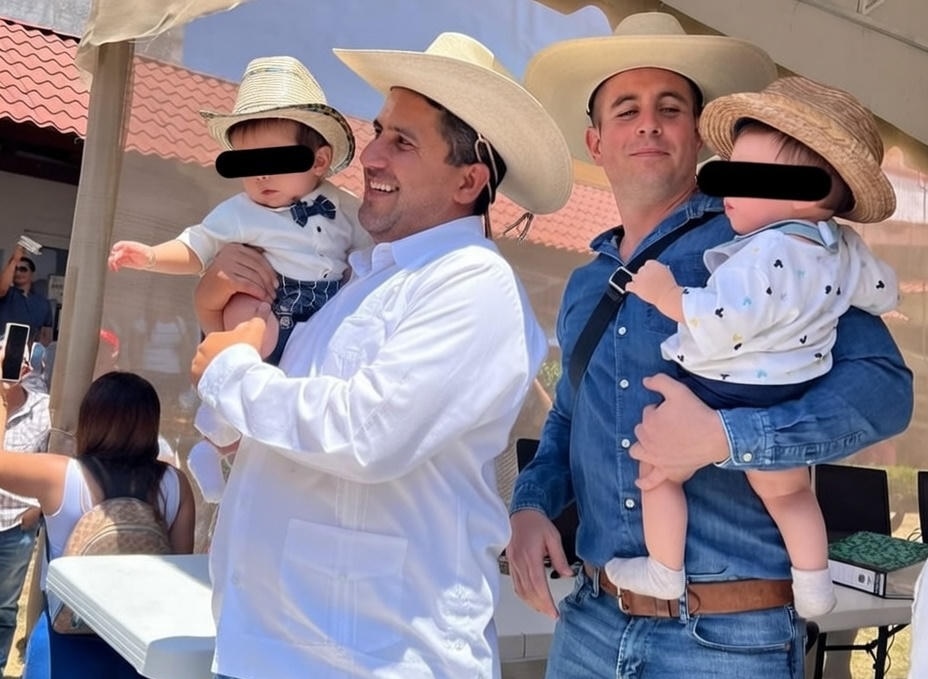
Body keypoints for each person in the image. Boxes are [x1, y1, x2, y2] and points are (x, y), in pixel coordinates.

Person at [507, 12, 913, 678]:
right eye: (627, 109)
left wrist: (727, 437)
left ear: (698, 135)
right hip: (590, 623)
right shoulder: (585, 285)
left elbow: (885, 392)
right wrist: (530, 506)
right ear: (596, 141)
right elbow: (568, 419)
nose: (648, 123)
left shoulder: (769, 244)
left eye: (670, 108)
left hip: (729, 640)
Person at [189, 31, 571, 679]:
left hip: (368, 658)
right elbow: (242, 435)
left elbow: (366, 435)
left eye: (403, 141)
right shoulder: (359, 281)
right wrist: (219, 322)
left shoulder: (472, 281)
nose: (370, 155)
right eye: (378, 131)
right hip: (287, 649)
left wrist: (227, 372)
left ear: (469, 179)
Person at [606, 76, 899, 619]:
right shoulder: (840, 247)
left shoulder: (762, 253)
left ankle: (663, 569)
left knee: (657, 470)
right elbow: (883, 290)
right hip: (788, 386)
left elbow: (726, 317)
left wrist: (668, 295)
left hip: (725, 390)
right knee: (790, 494)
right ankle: (814, 584)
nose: (729, 189)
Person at [0, 371, 196, 679]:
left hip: (66, 642)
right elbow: (179, 570)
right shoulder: (175, 483)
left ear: (89, 419)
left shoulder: (60, 475)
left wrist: (3, 401)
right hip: (139, 646)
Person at [0, 363, 50, 674]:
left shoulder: (43, 410)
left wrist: (37, 509)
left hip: (15, 526)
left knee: (4, 608)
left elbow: (54, 458)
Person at [0, 248, 53, 347]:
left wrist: (36, 352)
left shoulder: (43, 303)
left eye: (23, 269)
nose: (18, 273)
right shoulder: (5, 293)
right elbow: (2, 289)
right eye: (15, 269)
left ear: (32, 274)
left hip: (27, 353)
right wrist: (14, 260)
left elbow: (46, 336)